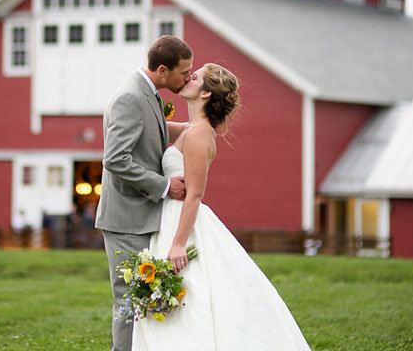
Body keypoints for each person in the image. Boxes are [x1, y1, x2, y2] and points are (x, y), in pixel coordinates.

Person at [132, 63, 312, 351]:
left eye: (197, 76)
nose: (190, 77)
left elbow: (194, 195)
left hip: (182, 221)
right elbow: (153, 126)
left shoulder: (200, 134)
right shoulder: (191, 128)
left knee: (193, 295)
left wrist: (179, 244)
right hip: (168, 217)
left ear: (204, 93)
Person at [95, 35, 193, 351]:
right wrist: (164, 186)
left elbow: (155, 133)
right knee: (128, 299)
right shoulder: (130, 97)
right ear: (163, 70)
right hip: (126, 219)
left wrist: (201, 126)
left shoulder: (146, 93)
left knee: (143, 297)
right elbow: (115, 159)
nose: (188, 78)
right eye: (184, 72)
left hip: (141, 217)